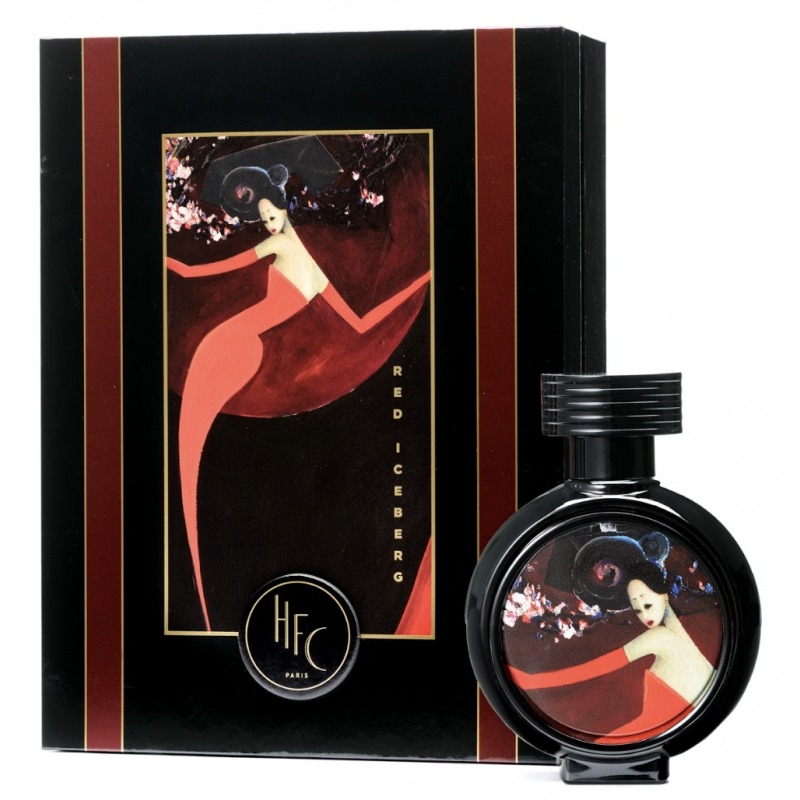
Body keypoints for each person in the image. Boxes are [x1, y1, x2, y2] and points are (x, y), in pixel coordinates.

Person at [168, 164, 430, 631]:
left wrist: (411, 284)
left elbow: (358, 320)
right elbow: (202, 269)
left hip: (243, 346)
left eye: (273, 214)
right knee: (189, 454)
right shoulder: (282, 247)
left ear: (285, 206)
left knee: (192, 457)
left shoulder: (305, 253)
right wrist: (170, 264)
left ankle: (202, 601)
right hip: (232, 341)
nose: (269, 223)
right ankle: (198, 594)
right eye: (264, 218)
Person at [506, 560, 717, 744]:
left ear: (664, 597)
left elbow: (598, 667)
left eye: (647, 604)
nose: (645, 616)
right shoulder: (679, 637)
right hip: (672, 732)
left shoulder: (660, 637)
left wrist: (532, 681)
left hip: (652, 735)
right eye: (637, 609)